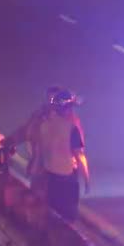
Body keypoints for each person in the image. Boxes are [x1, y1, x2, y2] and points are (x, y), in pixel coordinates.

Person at [35, 90, 90, 221]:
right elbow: (79, 156)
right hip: (67, 179)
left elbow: (38, 153)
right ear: (68, 109)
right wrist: (87, 179)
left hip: (49, 178)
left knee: (52, 215)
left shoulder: (43, 126)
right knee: (68, 218)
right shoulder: (71, 128)